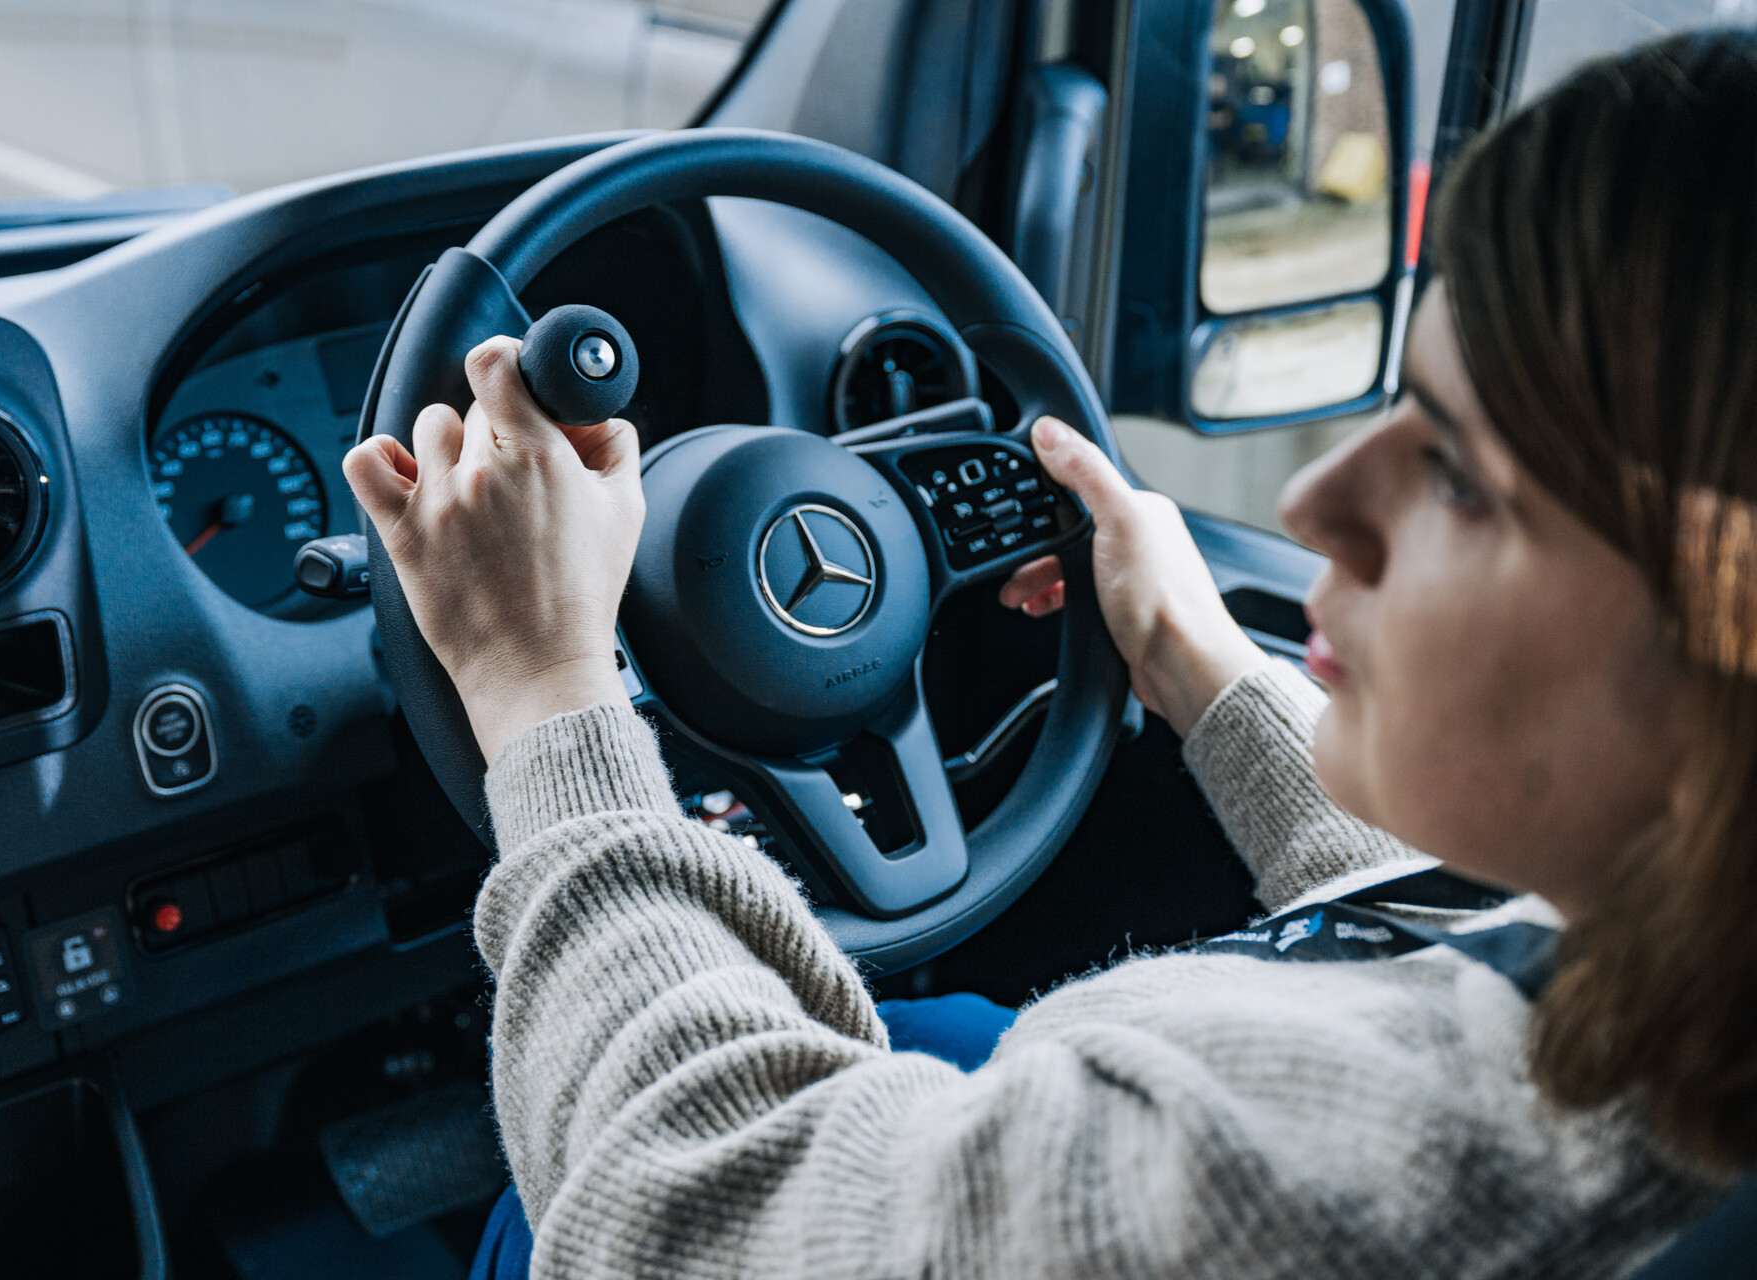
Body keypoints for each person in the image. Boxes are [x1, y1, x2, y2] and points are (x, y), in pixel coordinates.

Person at [344, 32, 1757, 1278]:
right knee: (940, 1017)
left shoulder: (1396, 1168)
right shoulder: (1668, 1006)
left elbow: (684, 1218)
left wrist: (547, 690)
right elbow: (1458, 948)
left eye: (1455, 473)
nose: (1322, 501)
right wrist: (1203, 668)